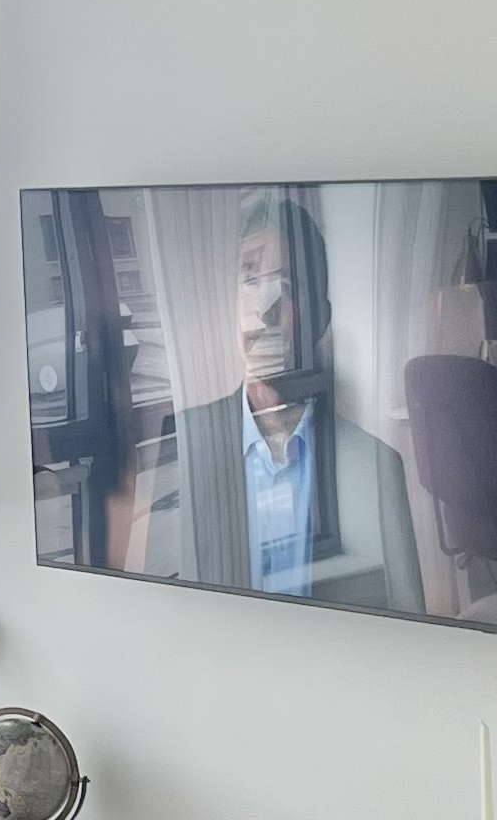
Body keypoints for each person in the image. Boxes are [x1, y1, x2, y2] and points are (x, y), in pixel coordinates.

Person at [161, 190, 424, 616]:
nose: (264, 310)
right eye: (249, 279)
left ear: (320, 316)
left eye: (285, 285)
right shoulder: (184, 446)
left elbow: (410, 630)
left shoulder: (377, 467)